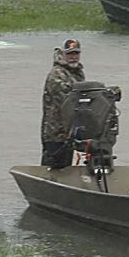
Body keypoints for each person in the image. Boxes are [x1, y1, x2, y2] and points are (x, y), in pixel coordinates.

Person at [39, 39, 84, 168]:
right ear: (63, 54)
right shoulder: (56, 74)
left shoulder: (77, 73)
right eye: (70, 54)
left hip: (69, 133)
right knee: (52, 169)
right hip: (54, 133)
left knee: (66, 168)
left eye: (76, 53)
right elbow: (68, 99)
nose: (73, 57)